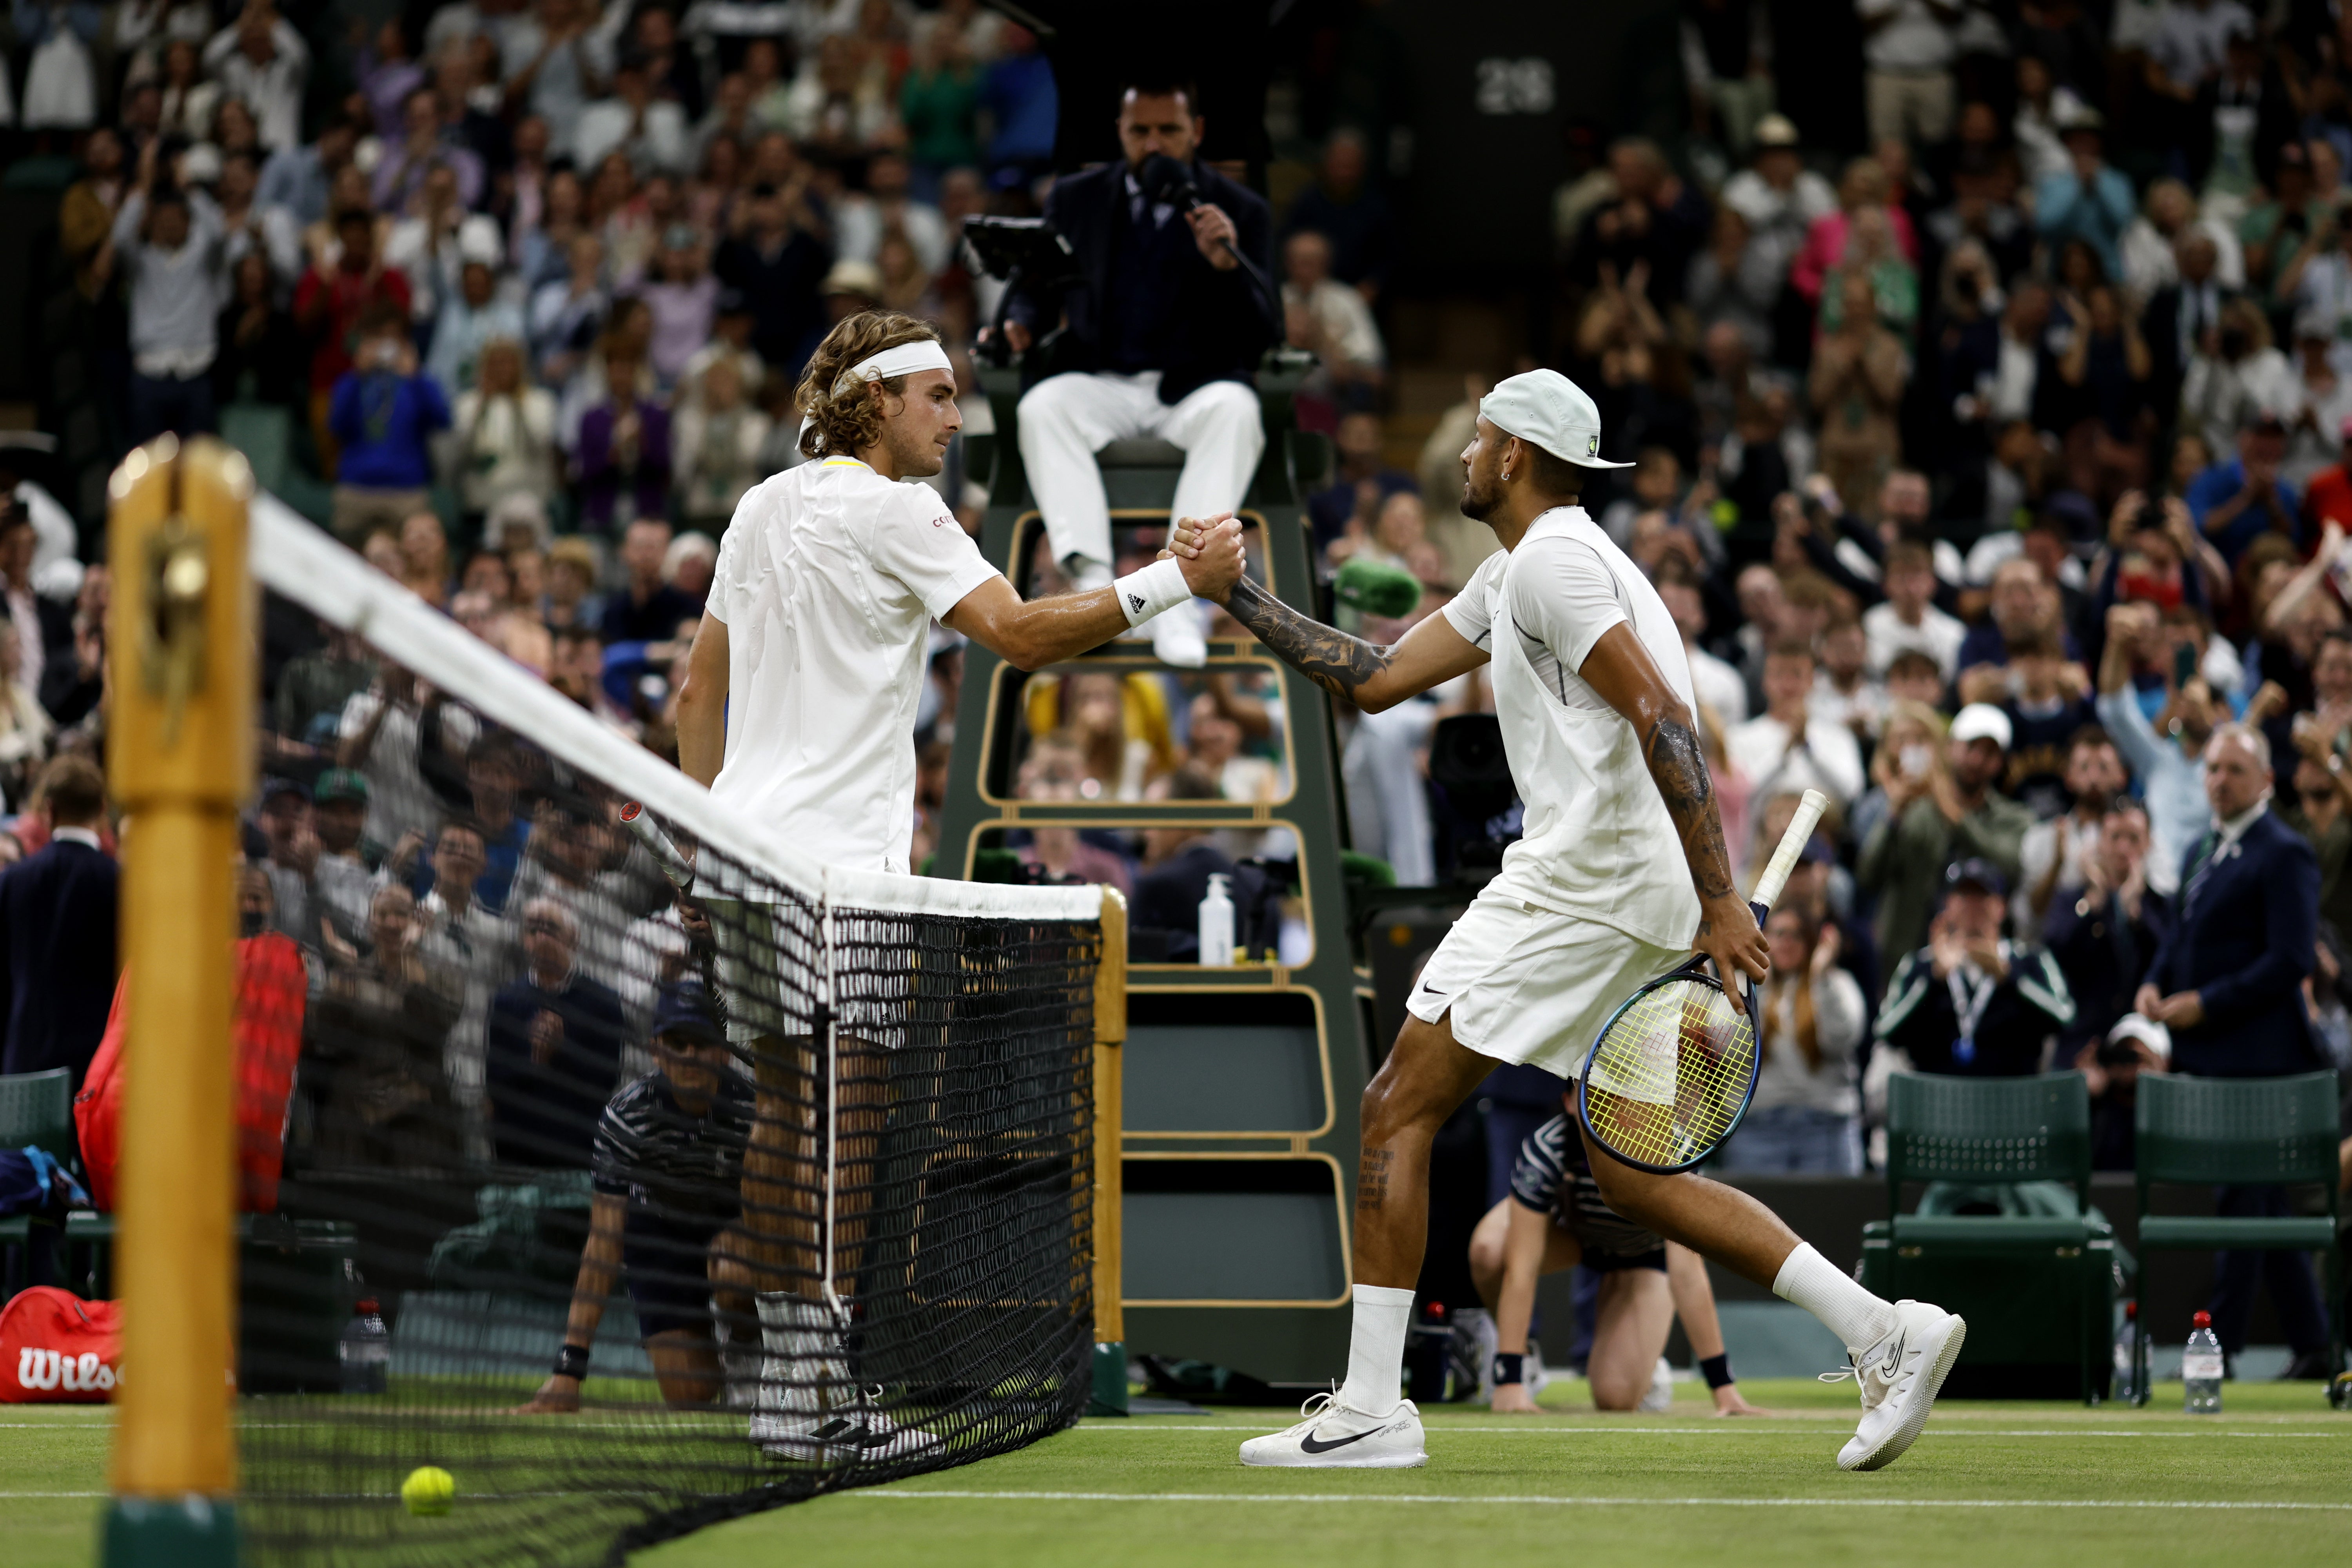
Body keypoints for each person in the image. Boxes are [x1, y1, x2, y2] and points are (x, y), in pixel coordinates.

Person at [1179, 369, 1960, 1473]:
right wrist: (1238, 593)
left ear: (1515, 456)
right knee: (1633, 1173)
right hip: (1633, 890)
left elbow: (1669, 722)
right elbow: (1376, 677)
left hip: (1585, 884)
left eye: (1481, 434)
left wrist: (1725, 897)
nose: (1461, 452)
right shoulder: (1524, 569)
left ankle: (1368, 1410)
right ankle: (1888, 1330)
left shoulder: (1553, 565)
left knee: (1395, 1105)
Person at [671, 310, 1245, 1459]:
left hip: (739, 849)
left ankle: (787, 1382)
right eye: (936, 394)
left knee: (785, 1109)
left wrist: (706, 839)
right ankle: (823, 1393)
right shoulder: (902, 510)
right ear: (876, 402)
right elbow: (1022, 635)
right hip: (839, 868)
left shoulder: (756, 507)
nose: (954, 414)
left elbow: (696, 700)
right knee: (851, 1115)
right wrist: (1172, 582)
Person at [997, 78, 1278, 668]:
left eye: (1168, 130)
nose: (1154, 144)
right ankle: (1099, 589)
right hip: (1103, 379)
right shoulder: (1075, 197)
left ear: (1195, 132)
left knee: (1238, 410)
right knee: (1041, 406)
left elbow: (1264, 336)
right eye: (1140, 131)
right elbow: (1035, 287)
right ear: (1120, 133)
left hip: (1194, 387)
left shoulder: (1240, 209)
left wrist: (1226, 267)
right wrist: (1017, 325)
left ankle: (1178, 597)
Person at [2133, 722, 2332, 1377]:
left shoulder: (2284, 852)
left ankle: (2216, 1352)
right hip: (2211, 1061)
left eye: (2235, 771)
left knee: (2243, 1208)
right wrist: (2157, 981)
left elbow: (2290, 959)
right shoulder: (2200, 848)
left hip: (2262, 1066)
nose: (2220, 780)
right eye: (2213, 769)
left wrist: (2207, 1002)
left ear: (2267, 781)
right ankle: (2316, 1348)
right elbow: (2179, 934)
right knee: (2261, 1209)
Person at [515, 982, 758, 1413]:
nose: (688, 1055)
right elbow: (604, 1241)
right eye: (676, 1042)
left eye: (701, 1043)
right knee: (691, 1398)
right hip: (659, 1235)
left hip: (731, 1226)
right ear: (656, 1050)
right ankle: (711, 1351)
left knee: (735, 1269)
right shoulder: (626, 1116)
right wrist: (569, 1367)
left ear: (724, 1050)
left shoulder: (751, 1109)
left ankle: (745, 1347)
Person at [1465, 1109, 1760, 1415]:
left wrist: (1723, 1389)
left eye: (1613, 1098)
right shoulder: (1548, 1147)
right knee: (1491, 1250)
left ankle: (1649, 1367)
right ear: (1569, 1101)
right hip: (1575, 1238)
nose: (1601, 1108)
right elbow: (1522, 1267)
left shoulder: (1674, 1150)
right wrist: (1509, 1382)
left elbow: (1687, 1275)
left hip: (1644, 1254)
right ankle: (1525, 1362)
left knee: (1615, 1399)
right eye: (1587, 1095)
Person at [1857, 702, 2036, 959]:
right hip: (1908, 951)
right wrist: (1894, 814)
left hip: (1983, 953)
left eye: (1989, 753)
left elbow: (2010, 867)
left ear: (2001, 762)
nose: (1976, 760)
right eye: (1970, 748)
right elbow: (1869, 876)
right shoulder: (1917, 810)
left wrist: (1955, 817)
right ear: (1951, 748)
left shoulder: (2015, 819)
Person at [1872, 859, 2077, 1079]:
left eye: (1982, 896)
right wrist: (1933, 978)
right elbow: (1886, 1030)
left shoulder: (2029, 960)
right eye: (1963, 896)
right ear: (1947, 906)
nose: (1972, 905)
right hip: (1936, 1102)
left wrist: (2010, 977)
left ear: (2001, 907)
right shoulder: (1921, 964)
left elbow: (2064, 1018)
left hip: (2013, 1102)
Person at [1715, 904, 1866, 1174]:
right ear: (1763, 938)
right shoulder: (1739, 985)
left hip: (1826, 1128)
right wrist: (1759, 981)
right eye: (1779, 933)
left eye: (1796, 935)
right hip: (1758, 1131)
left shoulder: (1836, 984)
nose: (1786, 942)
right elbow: (1726, 1047)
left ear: (1812, 942)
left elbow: (1842, 1039)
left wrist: (1821, 976)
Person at [485, 896, 632, 1168]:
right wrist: (536, 1060)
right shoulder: (506, 1001)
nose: (540, 938)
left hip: (580, 1151)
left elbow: (606, 1079)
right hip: (519, 1153)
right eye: (532, 930)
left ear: (573, 938)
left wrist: (562, 1050)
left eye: (550, 929)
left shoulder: (603, 1003)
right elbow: (496, 1081)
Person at [0, 757, 118, 1084]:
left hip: (27, 1058)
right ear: (102, 809)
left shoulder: (13, 881)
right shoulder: (120, 882)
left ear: (49, 809)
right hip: (98, 1066)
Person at [327, 303, 452, 547]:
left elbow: (443, 420)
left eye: (392, 337)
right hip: (357, 488)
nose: (385, 345)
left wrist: (416, 378)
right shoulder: (349, 382)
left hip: (407, 490)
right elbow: (336, 426)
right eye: (378, 337)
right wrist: (357, 376)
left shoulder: (418, 381)